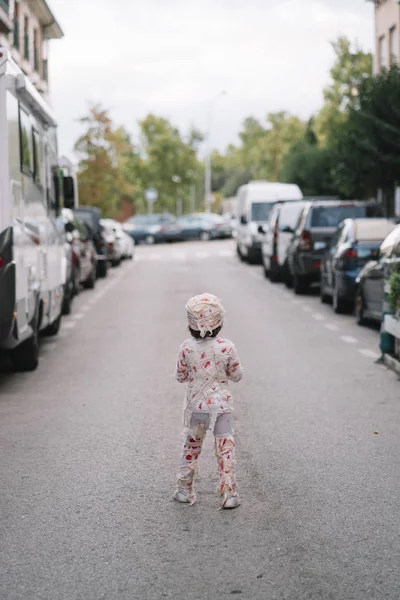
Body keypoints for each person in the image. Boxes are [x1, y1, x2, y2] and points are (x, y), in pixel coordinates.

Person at [174, 293, 243, 509]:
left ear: (191, 325)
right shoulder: (227, 347)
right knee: (225, 446)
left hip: (197, 407)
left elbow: (181, 376)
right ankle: (229, 493)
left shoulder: (186, 347)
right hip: (222, 407)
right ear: (219, 323)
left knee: (192, 445)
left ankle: (184, 489)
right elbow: (236, 375)